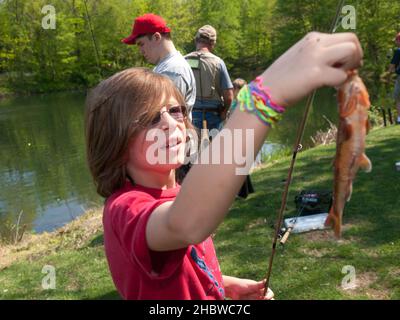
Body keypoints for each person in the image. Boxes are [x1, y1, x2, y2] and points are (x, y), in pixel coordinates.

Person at [85, 31, 363, 300]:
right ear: (115, 143)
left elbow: (184, 266)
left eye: (175, 110)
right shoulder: (125, 208)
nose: (170, 124)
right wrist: (263, 98)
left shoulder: (179, 191)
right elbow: (186, 225)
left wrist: (223, 285)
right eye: (148, 119)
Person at [122, 13, 196, 118]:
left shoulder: (172, 70)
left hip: (169, 133)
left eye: (141, 44)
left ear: (156, 37)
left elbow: (166, 116)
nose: (141, 51)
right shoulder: (165, 66)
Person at [185, 25, 234, 133]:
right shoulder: (218, 62)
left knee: (192, 148)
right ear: (213, 43)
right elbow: (229, 96)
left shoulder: (183, 61)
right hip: (213, 117)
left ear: (196, 40)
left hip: (190, 116)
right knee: (214, 149)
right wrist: (224, 112)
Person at [388, 32, 400, 124]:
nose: (395, 42)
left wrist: (390, 71)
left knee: (398, 98)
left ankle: (399, 118)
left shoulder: (398, 51)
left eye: (396, 40)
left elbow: (391, 67)